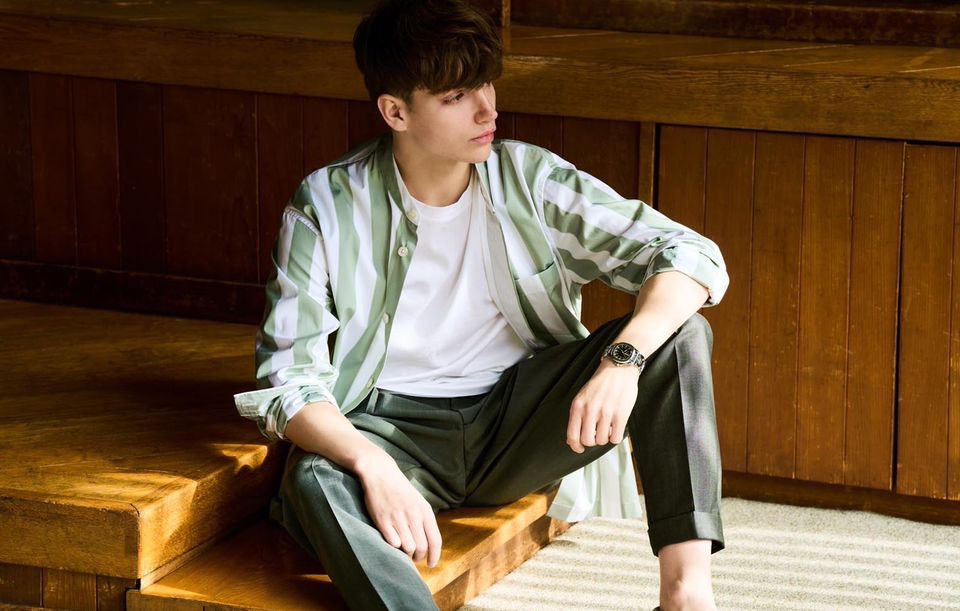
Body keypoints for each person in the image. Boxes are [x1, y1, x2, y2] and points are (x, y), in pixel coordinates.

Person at [233, 0, 730, 609]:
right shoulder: (328, 203)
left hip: (518, 419)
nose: (487, 109)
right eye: (456, 96)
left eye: (486, 84)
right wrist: (371, 463)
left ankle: (686, 596)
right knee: (315, 478)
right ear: (395, 111)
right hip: (392, 429)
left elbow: (690, 256)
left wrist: (622, 361)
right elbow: (288, 378)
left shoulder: (529, 179)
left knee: (681, 335)